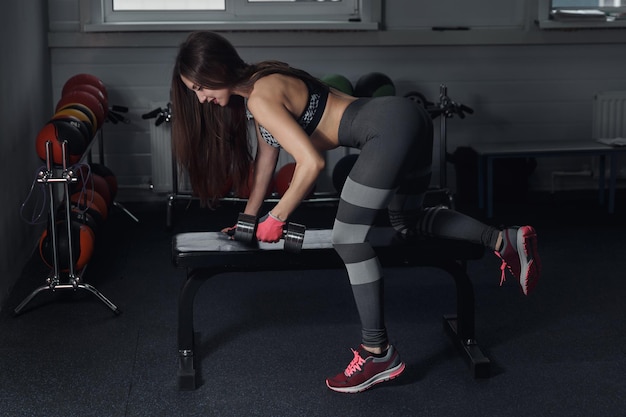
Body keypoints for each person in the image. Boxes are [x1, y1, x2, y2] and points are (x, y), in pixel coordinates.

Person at [170, 31, 541, 394]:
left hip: (384, 129)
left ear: (215, 71)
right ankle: (501, 238)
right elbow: (267, 161)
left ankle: (377, 352)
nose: (201, 99)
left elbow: (311, 162)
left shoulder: (259, 100)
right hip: (408, 118)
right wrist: (250, 220)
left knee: (347, 238)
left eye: (200, 88)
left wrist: (277, 218)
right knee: (408, 223)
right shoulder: (266, 79)